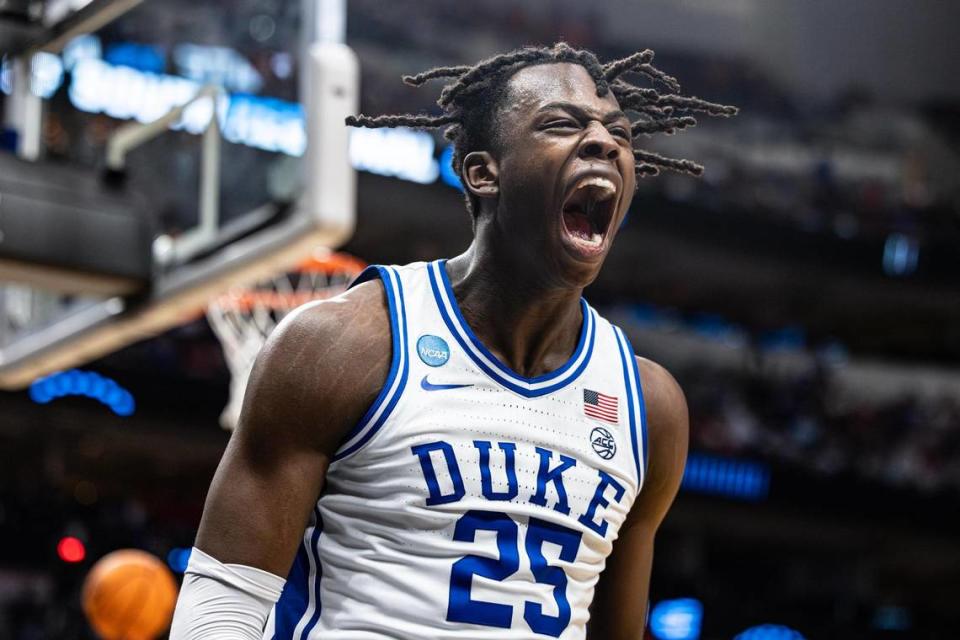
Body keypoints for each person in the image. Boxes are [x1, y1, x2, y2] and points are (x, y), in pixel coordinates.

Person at [170, 42, 737, 640]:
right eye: (561, 125)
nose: (603, 142)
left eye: (618, 133)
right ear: (482, 172)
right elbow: (223, 607)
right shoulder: (345, 343)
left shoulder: (650, 407)